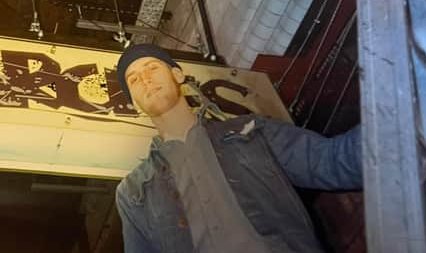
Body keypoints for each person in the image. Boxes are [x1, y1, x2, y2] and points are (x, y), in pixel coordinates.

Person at [115, 44, 361, 253]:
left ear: (177, 75)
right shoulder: (132, 193)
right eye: (133, 79)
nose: (145, 79)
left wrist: (392, 116)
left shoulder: (252, 131)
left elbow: (332, 161)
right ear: (134, 104)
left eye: (152, 67)